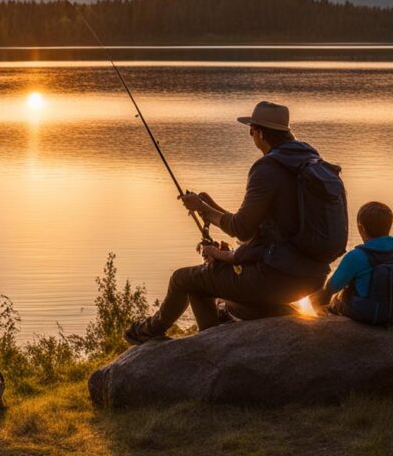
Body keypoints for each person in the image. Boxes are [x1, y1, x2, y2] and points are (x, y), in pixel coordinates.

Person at [125, 100, 342, 344]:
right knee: (227, 300)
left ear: (259, 133)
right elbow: (255, 233)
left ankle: (154, 332)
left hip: (277, 278)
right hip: (311, 278)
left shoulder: (267, 168)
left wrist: (203, 209)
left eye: (251, 130)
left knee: (183, 279)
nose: (251, 135)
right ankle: (226, 336)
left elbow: (241, 228)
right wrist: (211, 210)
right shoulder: (309, 163)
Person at [311, 201, 393, 325]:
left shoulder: (356, 256)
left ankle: (320, 324)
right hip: (392, 315)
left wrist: (318, 298)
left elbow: (332, 287)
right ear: (388, 228)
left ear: (361, 228)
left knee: (334, 296)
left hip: (363, 314)